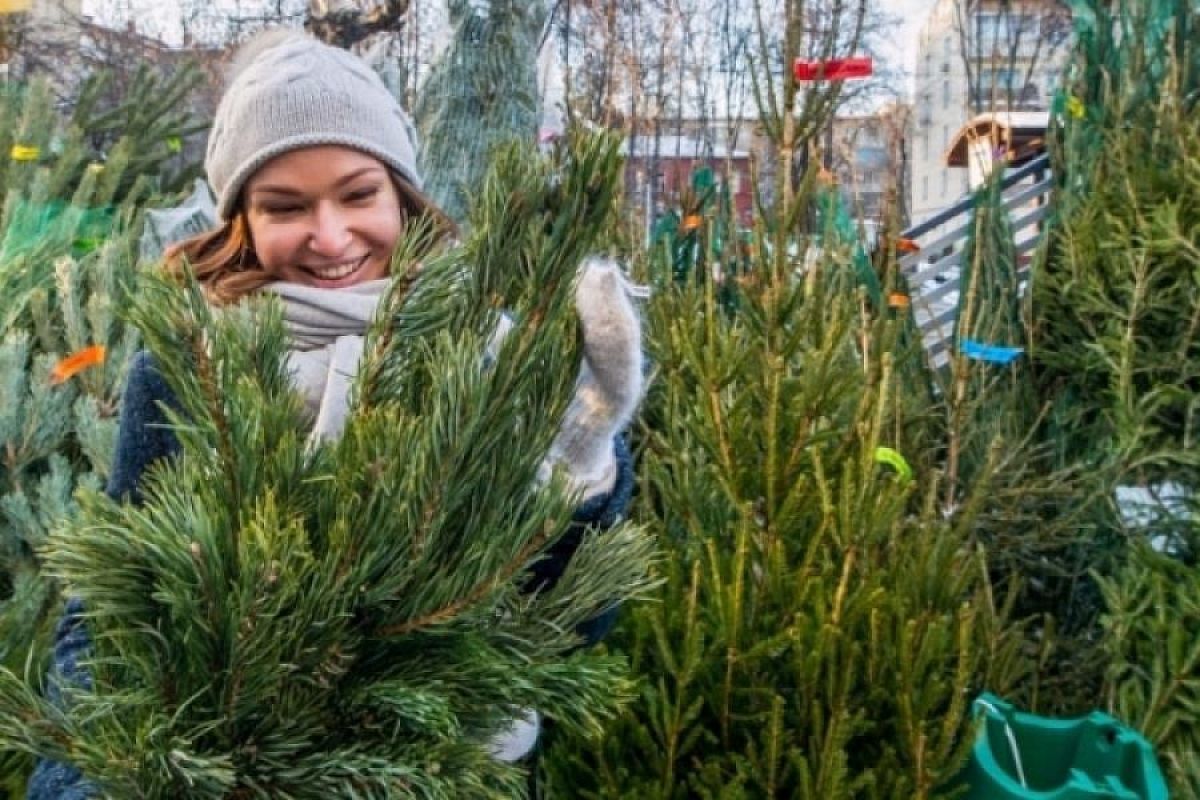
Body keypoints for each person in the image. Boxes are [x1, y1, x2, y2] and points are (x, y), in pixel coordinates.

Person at [27, 29, 642, 798]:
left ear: (402, 194)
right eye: (285, 206)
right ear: (240, 219)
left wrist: (578, 466)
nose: (330, 236)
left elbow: (565, 628)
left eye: (358, 194)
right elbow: (110, 613)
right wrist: (84, 785)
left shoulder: (483, 355)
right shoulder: (193, 363)